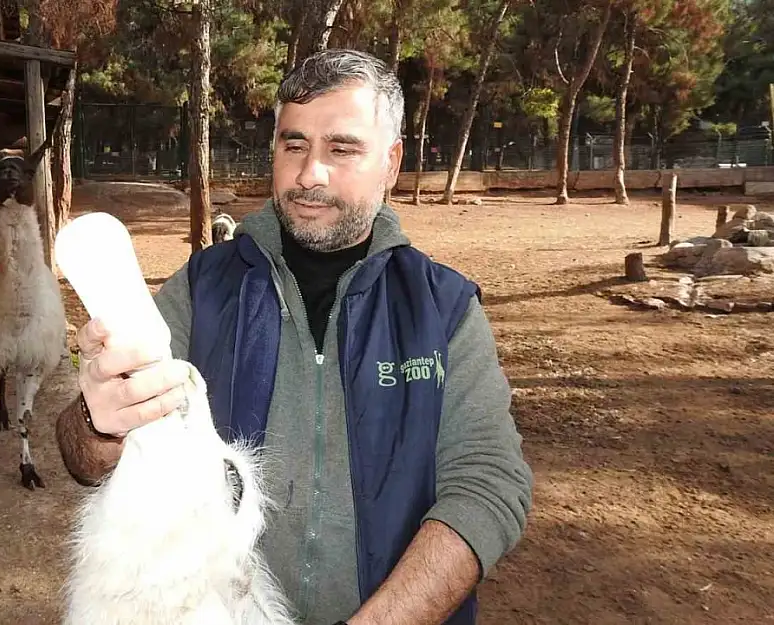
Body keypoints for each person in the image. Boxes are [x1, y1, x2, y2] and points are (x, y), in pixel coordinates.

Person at [54, 48, 534, 625]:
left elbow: (488, 486)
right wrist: (98, 423)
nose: (310, 174)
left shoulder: (442, 309)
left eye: (342, 148)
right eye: (294, 144)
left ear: (392, 160)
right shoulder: (204, 288)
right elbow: (83, 458)